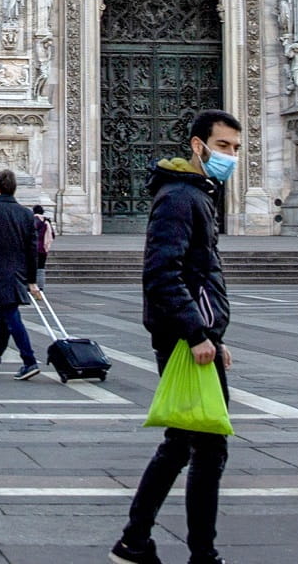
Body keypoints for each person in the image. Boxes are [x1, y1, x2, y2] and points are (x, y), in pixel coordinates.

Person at [111, 110, 239, 564]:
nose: (230, 156)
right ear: (197, 145)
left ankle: (135, 540)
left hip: (193, 335)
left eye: (236, 149)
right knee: (207, 446)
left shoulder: (193, 194)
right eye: (223, 146)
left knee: (184, 443)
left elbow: (196, 273)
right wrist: (196, 334)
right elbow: (162, 272)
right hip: (185, 339)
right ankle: (200, 553)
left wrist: (211, 334)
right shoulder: (181, 197)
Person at [0, 169, 42, 380]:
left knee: (11, 315)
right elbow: (33, 250)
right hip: (19, 272)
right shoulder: (26, 214)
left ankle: (29, 361)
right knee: (5, 317)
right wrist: (31, 279)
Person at [32, 204, 55, 282]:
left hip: (32, 248)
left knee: (31, 268)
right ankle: (41, 288)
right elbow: (52, 235)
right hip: (42, 249)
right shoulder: (46, 222)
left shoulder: (31, 220)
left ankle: (30, 286)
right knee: (41, 269)